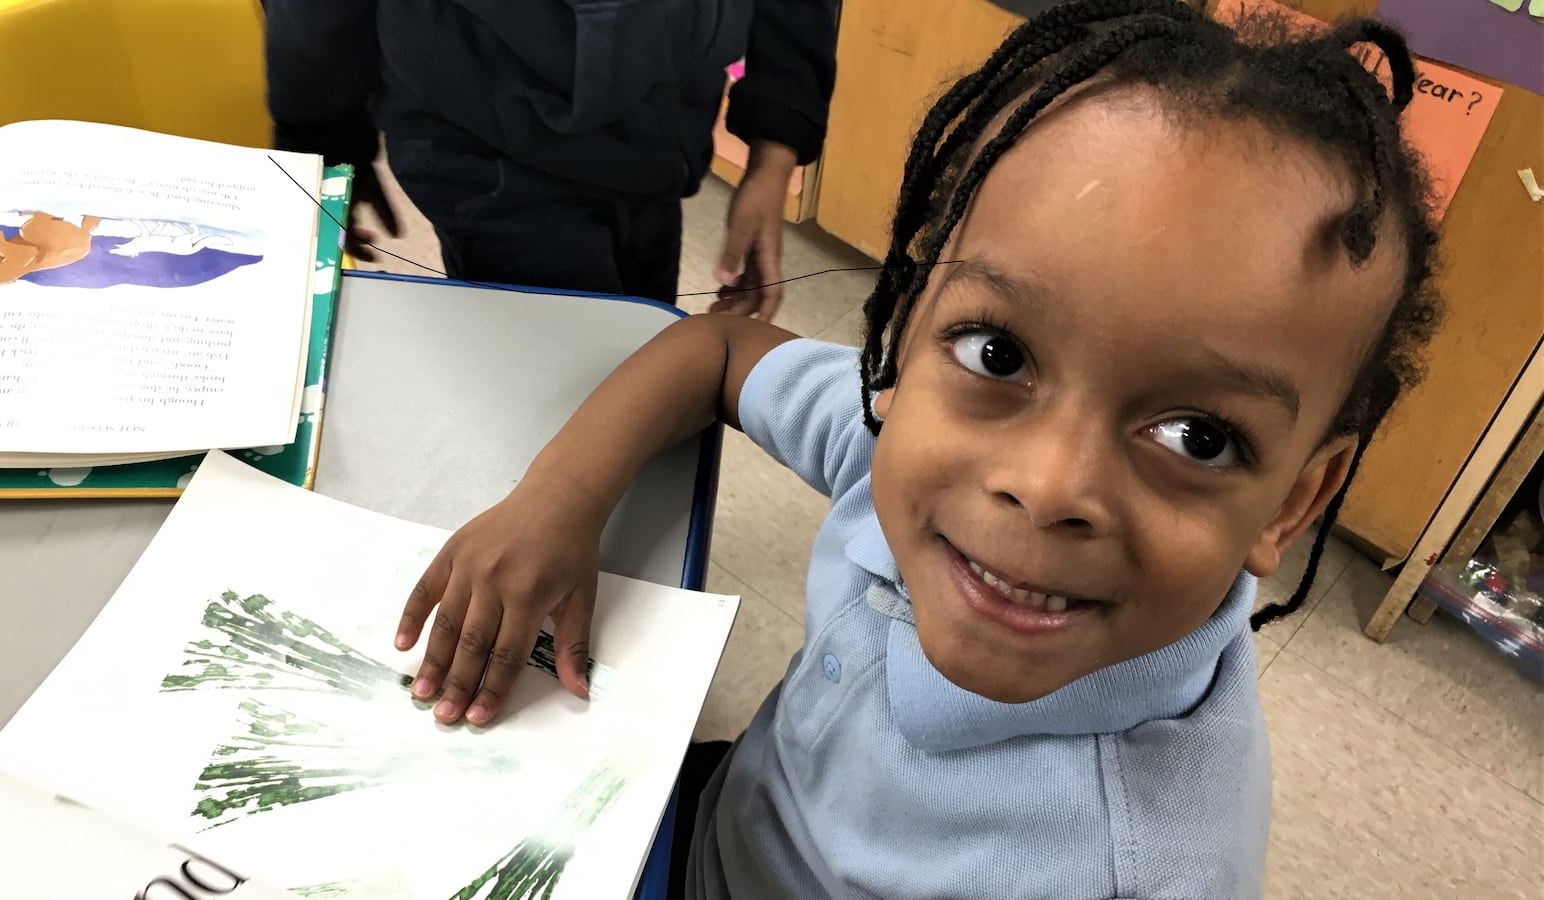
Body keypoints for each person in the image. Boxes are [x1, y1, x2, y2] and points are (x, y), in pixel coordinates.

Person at [392, 0, 1443, 895]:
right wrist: (554, 502)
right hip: (722, 822)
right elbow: (713, 347)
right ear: (901, 343)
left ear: (1291, 503)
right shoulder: (895, 436)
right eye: (997, 351)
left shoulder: (1142, 867)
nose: (1042, 487)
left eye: (1195, 436)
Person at [263, 0, 837, 320]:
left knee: (635, 338)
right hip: (484, 145)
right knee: (555, 394)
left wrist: (774, 154)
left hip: (657, 141)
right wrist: (324, 144)